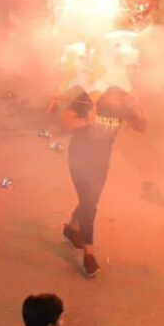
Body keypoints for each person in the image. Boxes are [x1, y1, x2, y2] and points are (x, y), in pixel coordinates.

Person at [61, 85, 146, 277]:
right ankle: (89, 254)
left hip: (101, 162)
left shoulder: (124, 102)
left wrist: (139, 107)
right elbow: (65, 123)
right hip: (79, 158)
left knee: (89, 201)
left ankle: (72, 228)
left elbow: (141, 127)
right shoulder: (88, 97)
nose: (118, 99)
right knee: (89, 205)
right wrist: (86, 121)